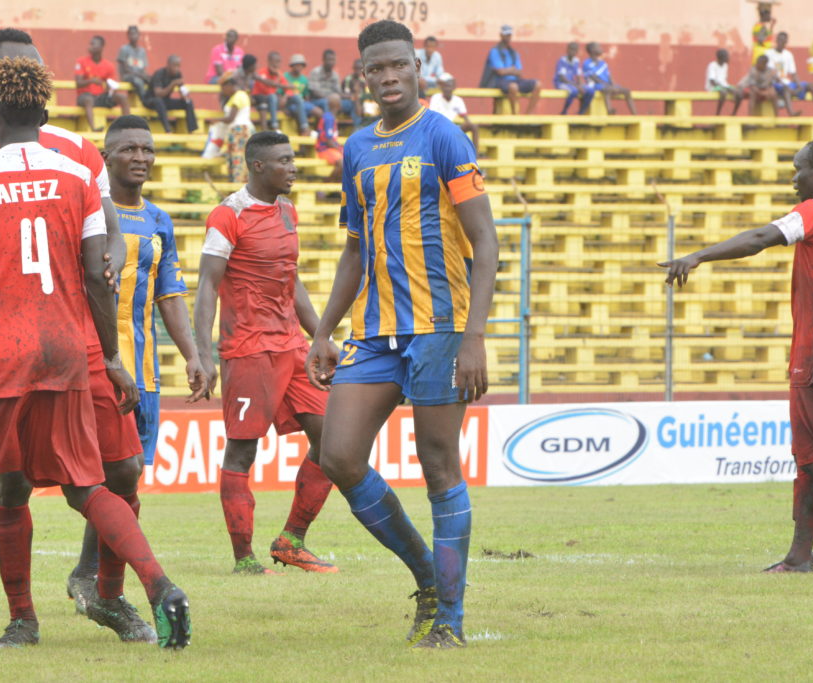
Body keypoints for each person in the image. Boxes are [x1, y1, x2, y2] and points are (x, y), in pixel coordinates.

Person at [0, 54, 190, 653]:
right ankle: (161, 587)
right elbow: (99, 276)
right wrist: (110, 357)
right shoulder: (78, 176)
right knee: (88, 485)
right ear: (46, 114)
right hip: (64, 348)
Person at [306, 20, 498, 649]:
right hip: (375, 331)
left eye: (398, 65)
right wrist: (323, 331)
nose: (388, 77)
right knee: (338, 456)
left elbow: (486, 241)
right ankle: (427, 578)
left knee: (438, 464)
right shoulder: (358, 148)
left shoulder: (444, 136)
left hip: (440, 327)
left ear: (417, 68)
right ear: (363, 76)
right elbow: (353, 249)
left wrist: (474, 337)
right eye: (376, 69)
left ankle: (450, 620)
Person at [67, 115, 209, 610]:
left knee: (125, 479)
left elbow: (170, 294)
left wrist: (193, 355)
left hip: (142, 372)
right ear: (105, 157)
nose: (141, 158)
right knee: (112, 476)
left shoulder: (158, 220)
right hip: (96, 366)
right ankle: (97, 581)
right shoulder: (87, 211)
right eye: (129, 149)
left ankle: (90, 576)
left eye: (147, 149)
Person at [659, 140, 813, 573]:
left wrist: (698, 256)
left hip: (812, 360)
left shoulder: (812, 210)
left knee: (810, 460)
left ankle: (798, 559)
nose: (794, 178)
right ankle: (799, 558)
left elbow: (760, 238)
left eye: (799, 169)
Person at [194, 131, 338, 576]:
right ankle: (244, 558)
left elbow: (291, 279)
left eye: (293, 159)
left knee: (334, 441)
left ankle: (291, 540)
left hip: (293, 346)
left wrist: (321, 336)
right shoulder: (228, 215)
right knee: (242, 452)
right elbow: (207, 286)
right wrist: (203, 354)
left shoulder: (287, 211)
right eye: (284, 161)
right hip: (248, 349)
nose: (293, 168)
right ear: (258, 166)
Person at [203, 72, 254, 183]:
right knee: (234, 161)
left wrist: (217, 120)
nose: (222, 91)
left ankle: (238, 185)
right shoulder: (236, 96)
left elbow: (231, 118)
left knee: (238, 162)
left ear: (229, 85)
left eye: (223, 88)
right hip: (236, 132)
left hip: (240, 132)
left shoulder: (239, 96)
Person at [75, 35, 130, 133]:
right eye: (90, 44)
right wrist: (92, 81)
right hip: (84, 96)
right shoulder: (81, 61)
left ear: (101, 47)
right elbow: (78, 83)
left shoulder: (109, 65)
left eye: (93, 44)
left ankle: (128, 127)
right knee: (88, 100)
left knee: (122, 97)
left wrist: (110, 88)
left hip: (100, 97)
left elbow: (111, 83)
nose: (90, 46)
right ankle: (93, 128)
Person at [485, 24, 540, 114]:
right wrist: (512, 70)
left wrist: (508, 70)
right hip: (500, 81)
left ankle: (528, 115)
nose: (508, 37)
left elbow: (519, 72)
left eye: (509, 35)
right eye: (506, 35)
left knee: (537, 84)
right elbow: (500, 72)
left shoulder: (514, 53)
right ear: (501, 35)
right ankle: (515, 115)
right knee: (513, 87)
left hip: (515, 81)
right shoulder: (495, 51)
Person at [148, 55, 199, 134]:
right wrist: (172, 84)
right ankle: (168, 130)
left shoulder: (178, 74)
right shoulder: (159, 73)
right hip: (151, 100)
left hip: (165, 101)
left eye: (178, 66)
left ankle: (192, 130)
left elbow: (182, 91)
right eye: (175, 66)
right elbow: (158, 94)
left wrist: (184, 96)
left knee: (188, 102)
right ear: (168, 65)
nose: (177, 68)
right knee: (159, 101)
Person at [308, 49, 360, 127]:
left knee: (351, 103)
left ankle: (357, 128)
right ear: (323, 60)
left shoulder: (335, 75)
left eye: (333, 60)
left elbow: (338, 92)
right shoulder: (316, 72)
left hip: (334, 100)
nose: (331, 62)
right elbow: (315, 92)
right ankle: (329, 129)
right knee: (327, 102)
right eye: (329, 59)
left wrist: (350, 96)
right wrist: (332, 98)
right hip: (318, 101)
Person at [582, 42, 636, 115]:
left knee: (627, 91)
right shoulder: (587, 63)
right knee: (607, 90)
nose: (601, 49)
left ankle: (635, 115)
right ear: (592, 50)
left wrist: (613, 85)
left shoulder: (603, 63)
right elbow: (594, 78)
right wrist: (608, 85)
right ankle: (610, 111)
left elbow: (609, 76)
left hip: (607, 85)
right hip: (595, 85)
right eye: (599, 47)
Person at [428, 73, 479, 150]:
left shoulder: (458, 100)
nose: (447, 89)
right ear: (442, 88)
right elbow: (433, 117)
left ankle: (476, 153)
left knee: (473, 126)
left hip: (453, 127)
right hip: (438, 128)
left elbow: (465, 117)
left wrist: (467, 124)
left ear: (453, 87)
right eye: (445, 86)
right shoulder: (436, 98)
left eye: (449, 86)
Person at [767, 32, 813, 114]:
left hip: (788, 84)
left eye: (783, 41)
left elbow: (793, 73)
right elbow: (772, 73)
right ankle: (791, 113)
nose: (781, 43)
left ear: (786, 42)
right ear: (776, 40)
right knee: (786, 89)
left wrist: (799, 85)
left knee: (811, 86)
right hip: (776, 85)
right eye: (780, 40)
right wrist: (785, 85)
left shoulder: (788, 55)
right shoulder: (769, 53)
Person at [252, 51, 293, 132]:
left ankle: (304, 126)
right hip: (260, 102)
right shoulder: (262, 73)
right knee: (273, 96)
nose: (277, 64)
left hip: (273, 103)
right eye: (275, 61)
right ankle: (274, 125)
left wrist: (285, 97)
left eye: (279, 62)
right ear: (269, 61)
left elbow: (289, 89)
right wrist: (278, 81)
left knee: (296, 99)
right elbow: (267, 91)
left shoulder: (279, 74)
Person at [554, 41, 591, 115]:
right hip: (561, 83)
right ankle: (564, 111)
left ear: (577, 52)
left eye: (575, 50)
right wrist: (577, 86)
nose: (572, 51)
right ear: (567, 49)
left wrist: (581, 85)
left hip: (572, 83)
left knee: (590, 91)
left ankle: (581, 112)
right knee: (574, 91)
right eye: (571, 49)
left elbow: (578, 75)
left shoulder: (576, 61)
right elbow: (562, 78)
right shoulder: (562, 61)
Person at [117, 25, 151, 106]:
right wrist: (140, 75)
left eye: (135, 34)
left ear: (139, 35)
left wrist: (146, 77)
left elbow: (143, 69)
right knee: (138, 81)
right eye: (131, 34)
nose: (133, 36)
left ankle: (152, 102)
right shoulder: (124, 49)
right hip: (128, 76)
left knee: (152, 81)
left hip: (140, 76)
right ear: (128, 36)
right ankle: (145, 102)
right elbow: (125, 69)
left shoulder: (142, 51)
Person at [705, 48, 743, 115]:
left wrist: (729, 88)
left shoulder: (725, 65)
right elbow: (712, 81)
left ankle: (733, 114)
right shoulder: (712, 65)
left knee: (739, 93)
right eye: (726, 56)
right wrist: (724, 87)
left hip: (724, 86)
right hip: (713, 87)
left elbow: (724, 81)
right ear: (721, 57)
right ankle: (718, 114)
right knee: (723, 92)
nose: (728, 58)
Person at [315, 93, 343, 182]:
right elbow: (329, 141)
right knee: (342, 163)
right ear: (338, 105)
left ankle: (337, 185)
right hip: (324, 150)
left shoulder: (330, 117)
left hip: (330, 149)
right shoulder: (329, 118)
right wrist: (341, 149)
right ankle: (327, 182)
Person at [284, 53, 314, 134]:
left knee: (318, 111)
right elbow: (280, 94)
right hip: (290, 103)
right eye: (297, 65)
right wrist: (283, 108)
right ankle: (304, 129)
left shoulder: (304, 79)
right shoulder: (285, 77)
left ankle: (318, 132)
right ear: (292, 65)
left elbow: (306, 96)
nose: (299, 67)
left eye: (301, 65)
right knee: (297, 107)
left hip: (302, 103)